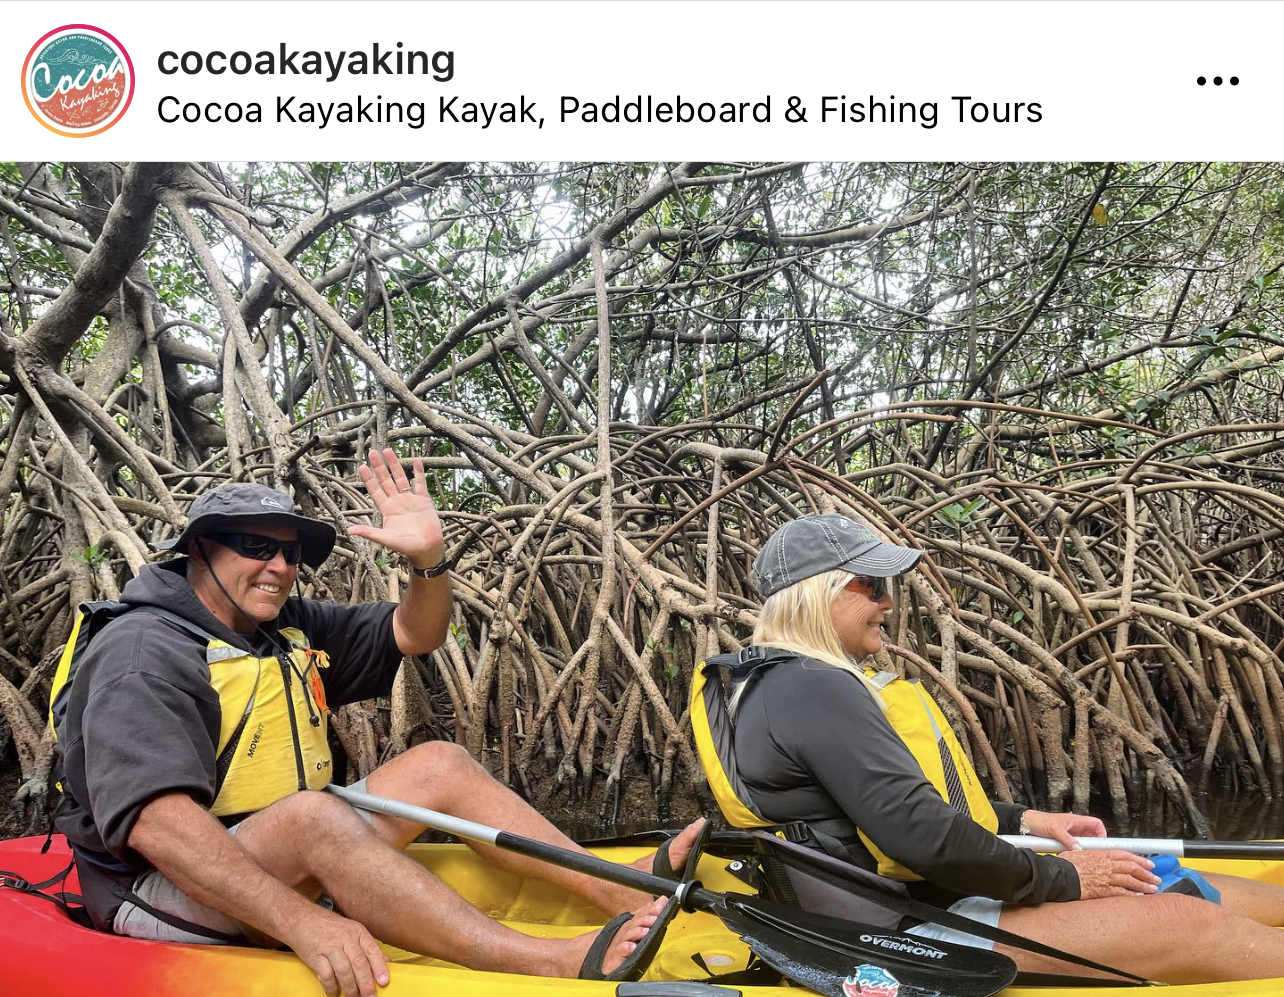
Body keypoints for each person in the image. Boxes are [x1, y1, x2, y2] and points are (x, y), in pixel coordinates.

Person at [56, 448, 700, 997]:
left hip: (269, 848)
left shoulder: (280, 628)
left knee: (439, 764)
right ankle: (545, 962)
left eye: (290, 553)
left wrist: (428, 561)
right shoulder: (142, 653)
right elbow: (160, 827)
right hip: (158, 890)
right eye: (256, 547)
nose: (279, 568)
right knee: (312, 818)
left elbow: (415, 633)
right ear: (198, 550)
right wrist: (302, 923)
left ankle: (620, 887)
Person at [695, 512, 1284, 985]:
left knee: (1167, 876)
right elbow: (923, 837)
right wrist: (1063, 877)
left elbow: (882, 806)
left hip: (911, 901)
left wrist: (1027, 820)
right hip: (897, 932)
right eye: (871, 586)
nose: (888, 603)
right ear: (815, 595)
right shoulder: (813, 686)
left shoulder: (771, 683)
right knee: (1181, 916)